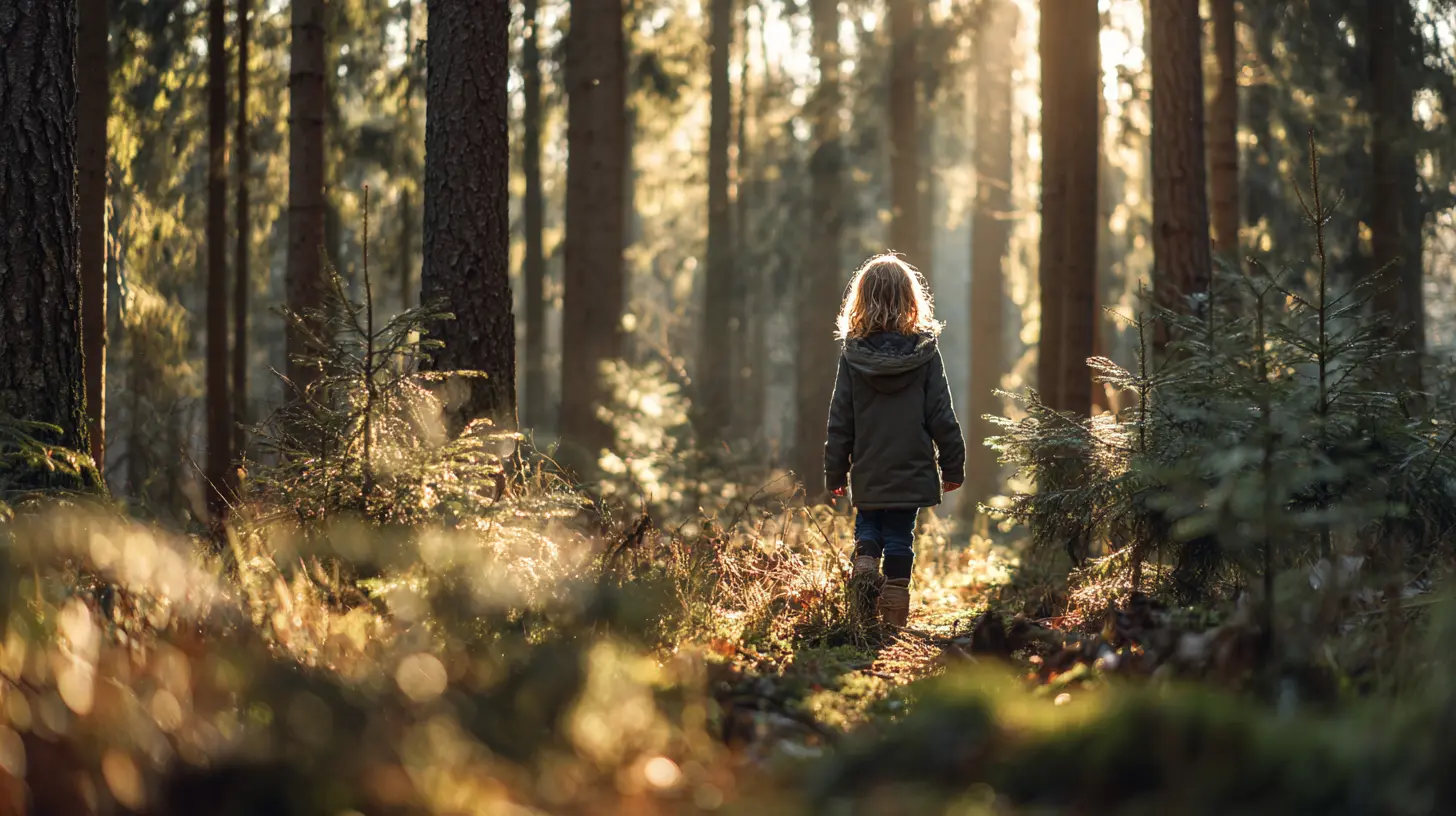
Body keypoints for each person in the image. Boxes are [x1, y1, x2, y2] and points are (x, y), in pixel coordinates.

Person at [824, 253, 966, 628]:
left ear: (862, 300)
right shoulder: (925, 354)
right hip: (912, 465)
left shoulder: (852, 356)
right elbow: (941, 414)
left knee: (868, 527)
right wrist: (953, 466)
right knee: (901, 534)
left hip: (869, 465)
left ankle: (866, 563)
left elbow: (841, 421)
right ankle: (894, 607)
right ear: (910, 299)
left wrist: (835, 472)